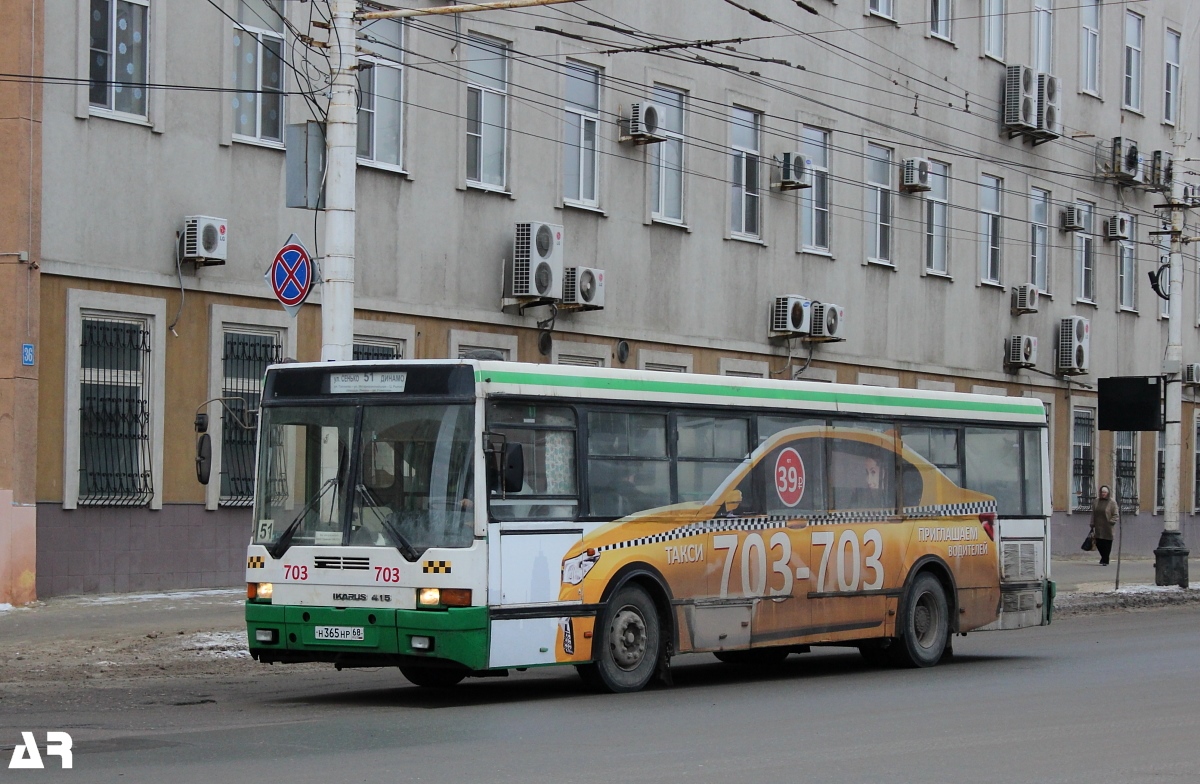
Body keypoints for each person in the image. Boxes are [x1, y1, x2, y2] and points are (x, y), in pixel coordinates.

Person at [1090, 485, 1119, 566]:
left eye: (1105, 492)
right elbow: (1093, 513)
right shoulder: (1096, 501)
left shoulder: (1112, 502)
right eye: (1102, 492)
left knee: (1107, 543)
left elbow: (1116, 514)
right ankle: (1104, 557)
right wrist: (1092, 523)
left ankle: (1105, 560)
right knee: (1099, 542)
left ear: (1108, 493)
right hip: (1098, 526)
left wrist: (1111, 522)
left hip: (1108, 526)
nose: (1103, 494)